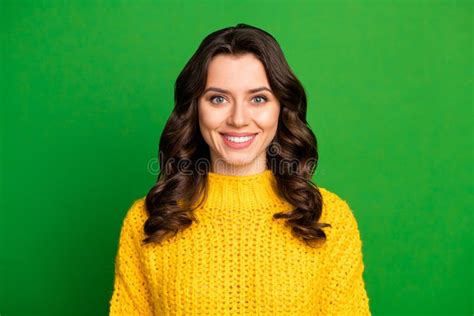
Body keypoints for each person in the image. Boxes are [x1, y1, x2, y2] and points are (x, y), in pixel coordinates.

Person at [109, 23, 371, 315]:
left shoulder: (328, 218)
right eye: (218, 99)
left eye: (258, 99)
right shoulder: (148, 220)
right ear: (195, 108)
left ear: (281, 108)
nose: (238, 119)